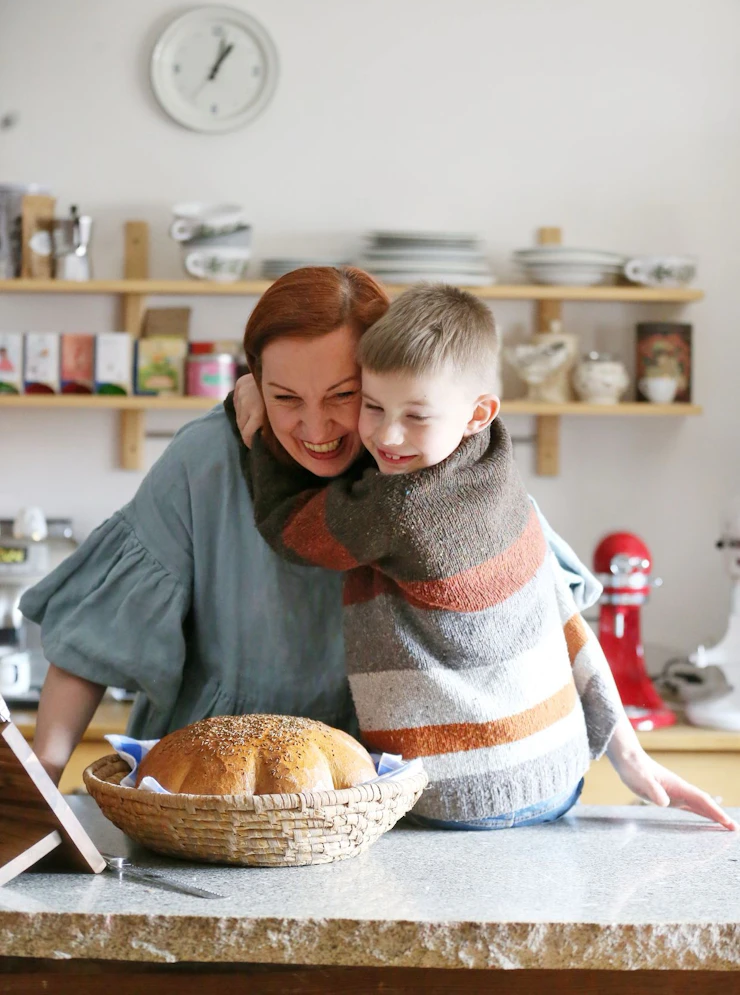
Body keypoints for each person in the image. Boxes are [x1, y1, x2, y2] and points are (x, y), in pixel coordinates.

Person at [19, 267, 731, 829]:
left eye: (344, 394)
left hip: (384, 801)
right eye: (285, 396)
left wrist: (630, 753)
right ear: (253, 385)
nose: (319, 426)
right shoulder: (208, 458)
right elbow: (93, 638)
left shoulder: (427, 460)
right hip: (212, 802)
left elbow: (543, 600)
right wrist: (37, 790)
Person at [242, 281, 737, 831]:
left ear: (478, 413)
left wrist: (258, 417)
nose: (387, 435)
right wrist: (627, 752)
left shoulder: (398, 512)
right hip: (561, 775)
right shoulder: (495, 466)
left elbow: (286, 524)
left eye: (416, 416)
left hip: (454, 796)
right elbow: (559, 610)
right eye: (373, 405)